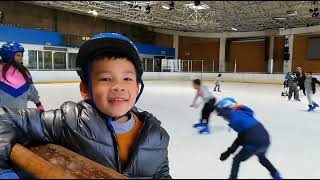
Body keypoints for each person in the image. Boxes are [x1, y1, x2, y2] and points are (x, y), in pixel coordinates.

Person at [0, 33, 170, 178]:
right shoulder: (69, 121)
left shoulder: (157, 137)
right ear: (85, 89)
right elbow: (5, 119)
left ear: (137, 87)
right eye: (105, 78)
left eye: (127, 78)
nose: (118, 86)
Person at [215, 97, 282, 179]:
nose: (223, 118)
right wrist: (230, 151)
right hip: (265, 139)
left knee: (237, 159)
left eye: (222, 115)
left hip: (254, 140)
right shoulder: (243, 113)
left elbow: (240, 138)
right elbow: (242, 136)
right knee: (262, 158)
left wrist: (229, 152)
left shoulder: (235, 118)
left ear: (226, 110)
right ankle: (276, 175)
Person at [0, 41, 44, 110]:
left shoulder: (24, 72)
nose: (21, 58)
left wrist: (39, 105)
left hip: (21, 116)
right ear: (8, 55)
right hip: (2, 117)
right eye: (18, 55)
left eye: (21, 55)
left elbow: (32, 90)